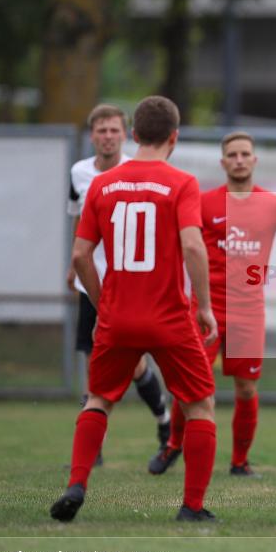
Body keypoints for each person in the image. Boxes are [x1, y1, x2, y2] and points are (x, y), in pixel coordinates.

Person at [50, 96, 220, 523]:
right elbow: (194, 245)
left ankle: (77, 483)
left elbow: (80, 256)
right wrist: (205, 306)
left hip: (116, 317)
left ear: (133, 135)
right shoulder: (182, 183)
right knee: (199, 405)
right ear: (174, 138)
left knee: (98, 400)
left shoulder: (101, 184)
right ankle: (192, 507)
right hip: (168, 318)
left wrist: (102, 297)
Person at [148, 131, 276, 477]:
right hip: (205, 309)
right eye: (232, 154)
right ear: (223, 162)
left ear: (254, 160)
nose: (238, 159)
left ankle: (239, 462)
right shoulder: (203, 202)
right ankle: (173, 444)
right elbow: (179, 248)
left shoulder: (273, 204)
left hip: (249, 312)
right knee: (191, 383)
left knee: (246, 387)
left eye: (244, 154)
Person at [66, 104, 171, 462]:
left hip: (129, 283)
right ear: (91, 135)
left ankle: (163, 417)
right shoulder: (79, 173)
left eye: (114, 130)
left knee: (136, 362)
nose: (107, 136)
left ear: (126, 134)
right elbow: (79, 222)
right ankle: (91, 448)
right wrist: (73, 266)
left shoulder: (135, 171)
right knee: (92, 359)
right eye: (101, 130)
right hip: (92, 284)